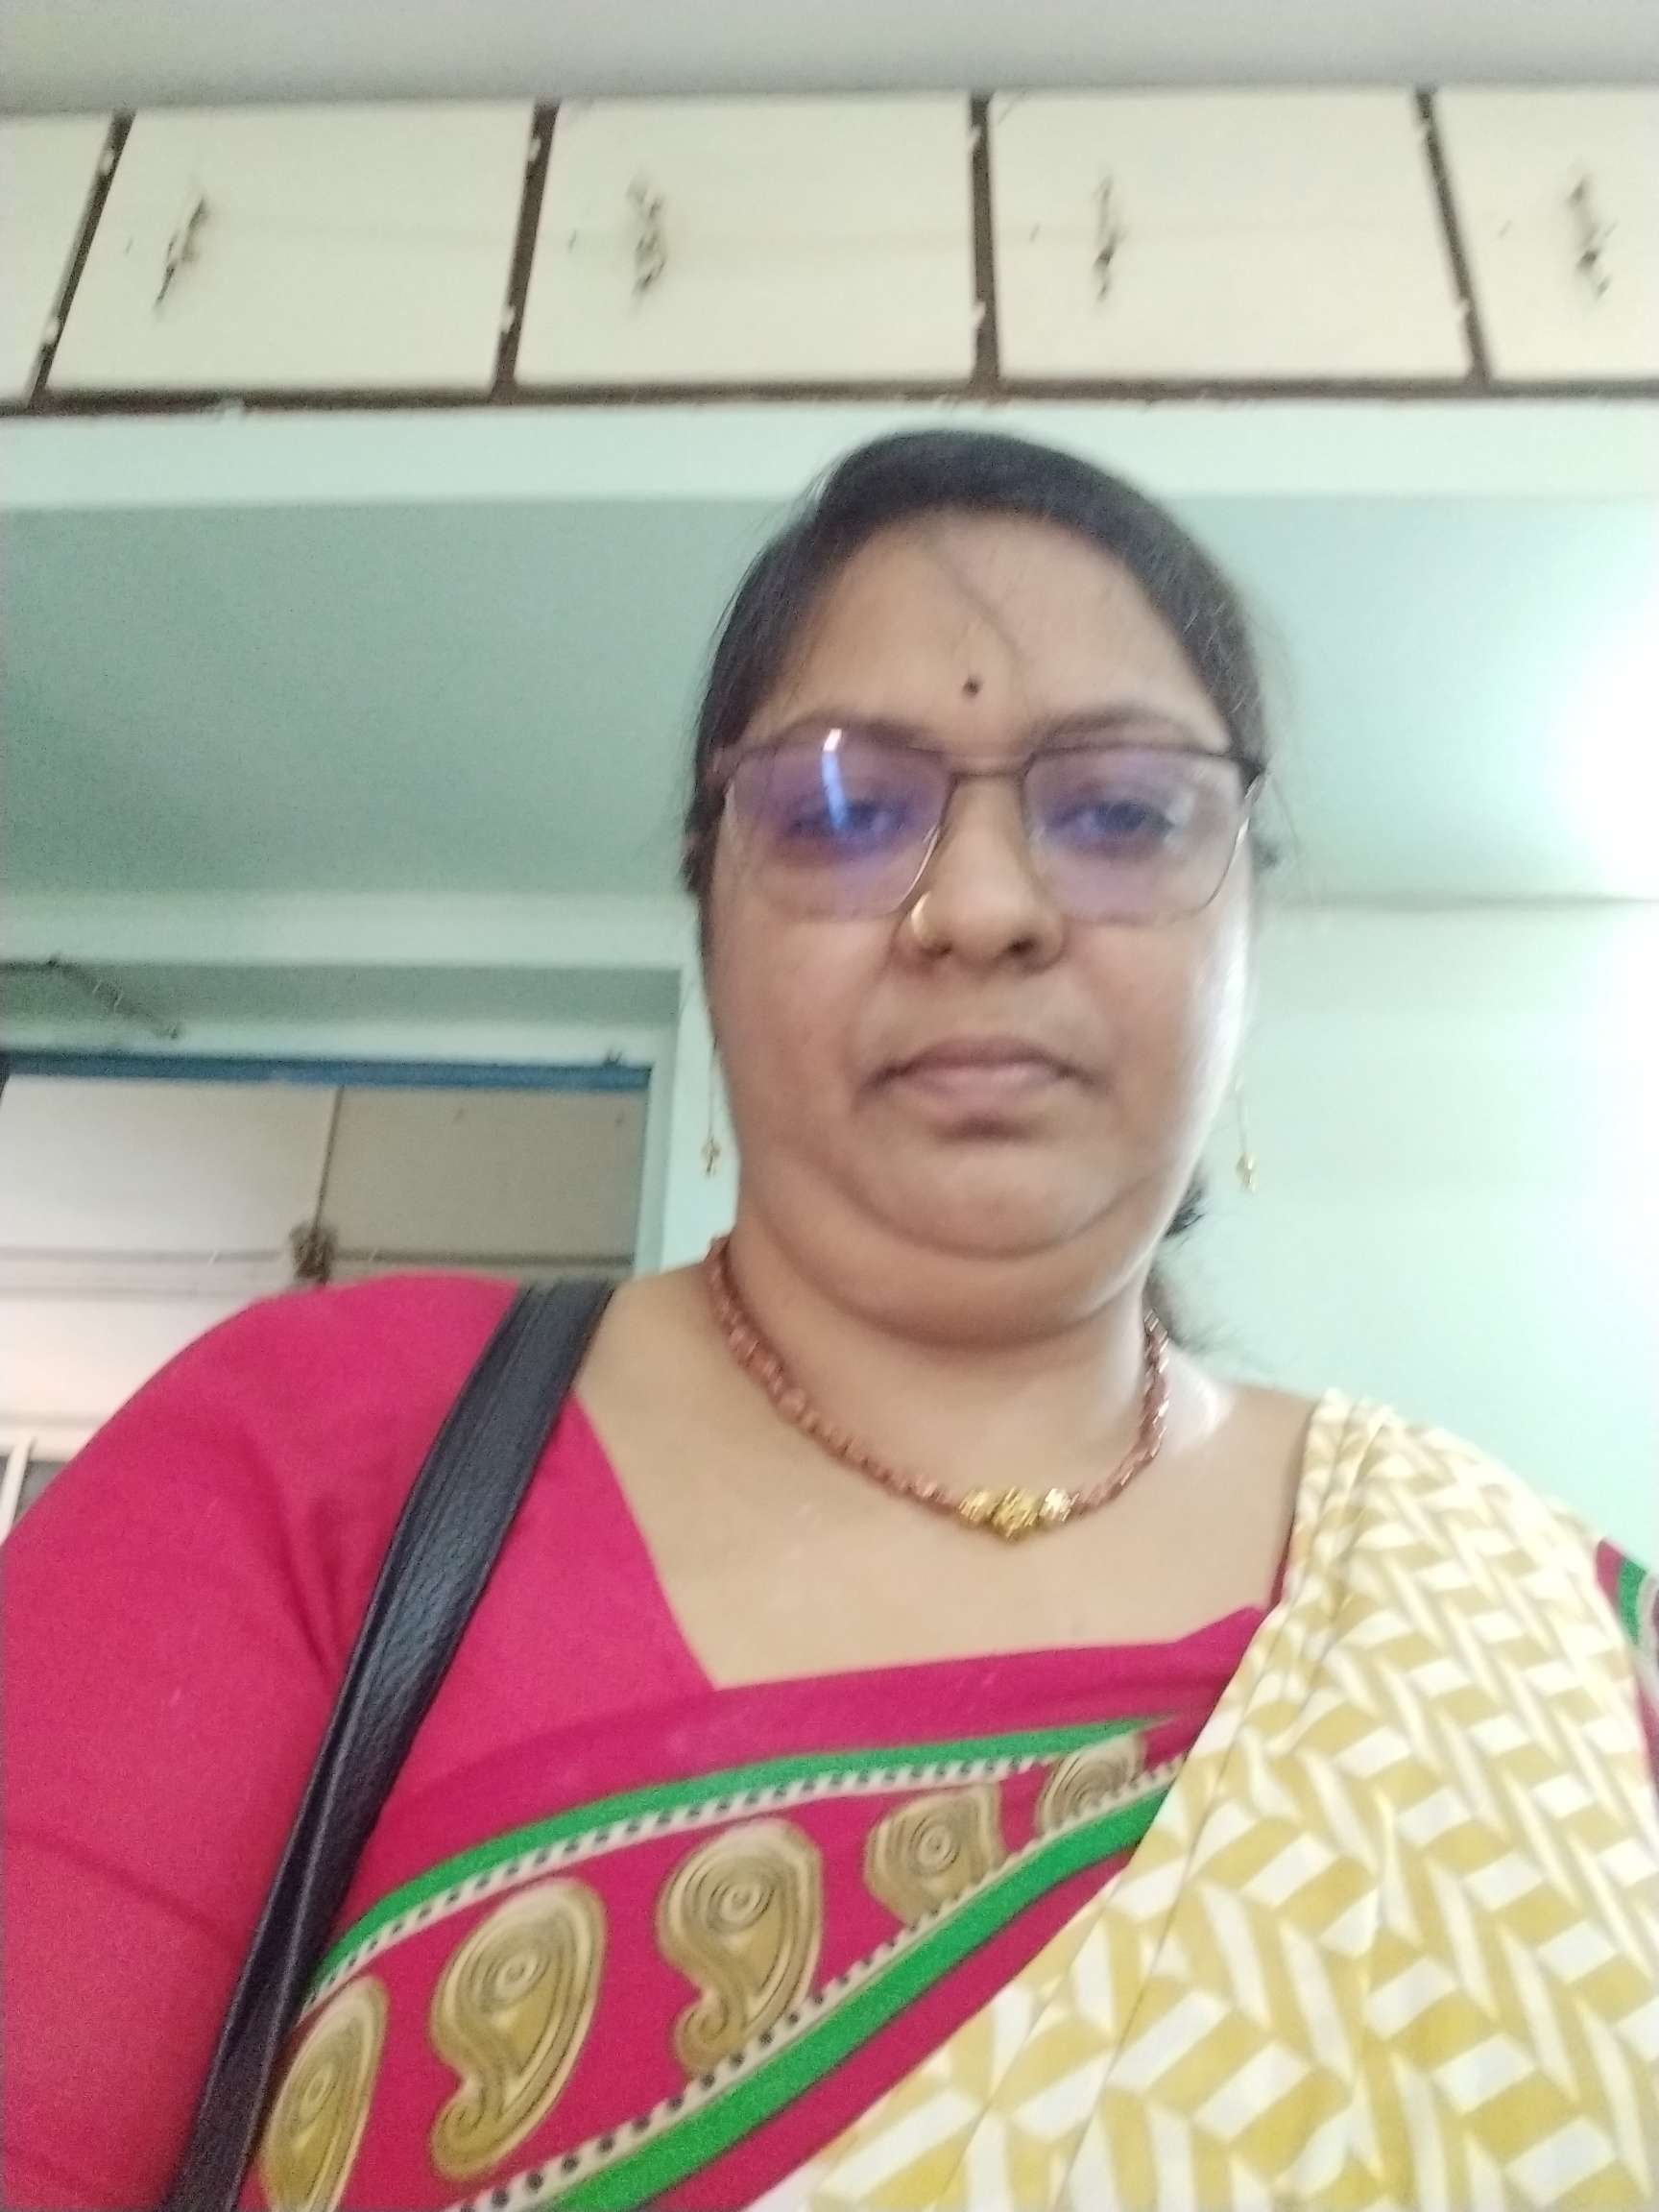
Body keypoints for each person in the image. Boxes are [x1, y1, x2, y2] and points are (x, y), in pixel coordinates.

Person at [5, 428, 1657, 2212]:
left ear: (1246, 927)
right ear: (711, 927)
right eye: (846, 810)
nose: (983, 910)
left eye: (1120, 811)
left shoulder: (1546, 1643)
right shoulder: (320, 1448)